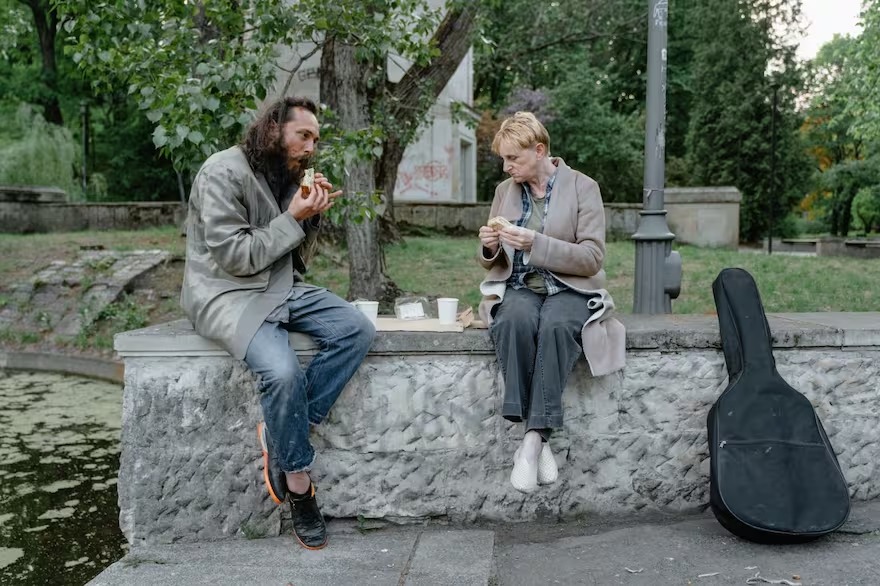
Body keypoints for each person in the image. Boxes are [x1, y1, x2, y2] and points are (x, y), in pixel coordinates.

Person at [180, 96, 376, 549]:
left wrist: (311, 215)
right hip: (226, 293)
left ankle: (285, 431)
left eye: (315, 139)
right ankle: (300, 484)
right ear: (274, 129)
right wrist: (293, 217)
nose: (310, 147)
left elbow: (295, 257)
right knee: (282, 371)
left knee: (357, 329)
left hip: (279, 285)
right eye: (302, 135)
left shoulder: (286, 174)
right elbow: (235, 257)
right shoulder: (221, 172)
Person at [477, 111, 625, 493]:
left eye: (514, 158)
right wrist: (489, 247)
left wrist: (535, 244)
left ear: (539, 150)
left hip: (571, 287)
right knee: (512, 322)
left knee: (557, 326)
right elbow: (492, 260)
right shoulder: (504, 192)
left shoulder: (583, 187)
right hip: (522, 285)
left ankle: (530, 443)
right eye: (504, 159)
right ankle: (537, 436)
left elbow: (592, 257)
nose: (507, 166)